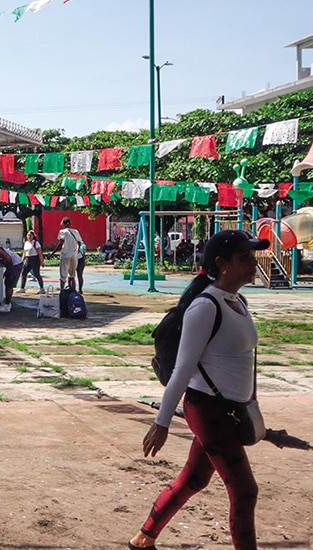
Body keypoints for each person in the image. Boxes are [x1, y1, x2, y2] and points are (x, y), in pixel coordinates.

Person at [128, 229, 270, 550]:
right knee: (245, 492)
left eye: (252, 256)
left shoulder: (238, 302)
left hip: (231, 410)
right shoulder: (205, 307)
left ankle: (143, 538)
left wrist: (251, 406)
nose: (253, 263)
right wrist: (162, 422)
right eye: (244, 257)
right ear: (222, 264)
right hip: (208, 410)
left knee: (194, 479)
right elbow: (183, 369)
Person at [0, 244, 23, 311]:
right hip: (15, 264)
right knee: (8, 283)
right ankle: (7, 302)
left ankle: (7, 304)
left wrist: (8, 270)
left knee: (9, 284)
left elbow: (8, 259)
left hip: (15, 264)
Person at [57, 217, 84, 291]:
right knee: (72, 275)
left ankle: (62, 291)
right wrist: (77, 250)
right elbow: (79, 242)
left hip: (65, 255)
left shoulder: (62, 231)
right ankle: (73, 291)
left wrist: (52, 253)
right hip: (74, 256)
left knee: (63, 276)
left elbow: (61, 243)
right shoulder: (75, 231)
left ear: (63, 223)